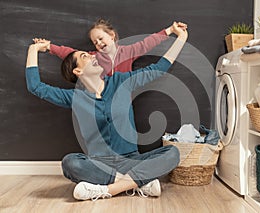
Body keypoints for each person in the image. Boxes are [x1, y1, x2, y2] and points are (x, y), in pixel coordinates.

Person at [26, 22, 188, 201]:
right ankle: (137, 183)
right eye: (85, 56)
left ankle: (107, 190)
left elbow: (157, 69)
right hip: (99, 164)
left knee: (172, 153)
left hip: (132, 160)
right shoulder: (75, 97)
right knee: (70, 163)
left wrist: (181, 38)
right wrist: (34, 49)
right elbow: (36, 87)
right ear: (78, 71)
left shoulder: (121, 82)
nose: (93, 56)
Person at [34, 18, 187, 77]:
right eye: (95, 42)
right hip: (102, 100)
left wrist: (170, 31)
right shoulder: (94, 57)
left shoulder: (128, 51)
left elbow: (148, 43)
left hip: (123, 99)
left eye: (101, 38)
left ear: (112, 35)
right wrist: (49, 46)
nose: (99, 43)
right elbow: (70, 53)